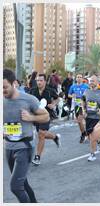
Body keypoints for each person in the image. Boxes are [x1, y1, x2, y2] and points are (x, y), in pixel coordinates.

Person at [3, 69, 49, 202]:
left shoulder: (28, 99)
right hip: (9, 147)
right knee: (23, 183)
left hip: (25, 147)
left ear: (14, 84)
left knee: (16, 187)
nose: (2, 90)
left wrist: (30, 117)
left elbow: (45, 116)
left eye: (5, 87)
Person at [29, 74, 61, 165]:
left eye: (41, 80)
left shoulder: (50, 91)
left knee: (41, 134)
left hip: (46, 115)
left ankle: (37, 157)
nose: (39, 82)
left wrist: (54, 104)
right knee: (41, 134)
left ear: (45, 81)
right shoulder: (32, 91)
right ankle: (55, 137)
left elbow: (57, 98)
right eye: (38, 80)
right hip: (35, 116)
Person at [82, 75, 100, 161]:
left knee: (92, 136)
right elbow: (83, 100)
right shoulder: (86, 91)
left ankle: (92, 154)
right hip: (88, 116)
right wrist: (84, 111)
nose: (91, 82)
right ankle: (99, 140)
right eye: (90, 81)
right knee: (89, 136)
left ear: (97, 82)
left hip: (97, 117)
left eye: (93, 81)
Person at [68, 73, 90, 143]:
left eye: (80, 77)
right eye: (78, 77)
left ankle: (86, 133)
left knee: (81, 119)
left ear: (82, 79)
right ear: (76, 78)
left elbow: (90, 94)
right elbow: (69, 94)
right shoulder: (73, 86)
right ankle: (84, 133)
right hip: (76, 105)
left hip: (84, 105)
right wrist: (72, 96)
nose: (79, 78)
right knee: (79, 122)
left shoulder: (86, 86)